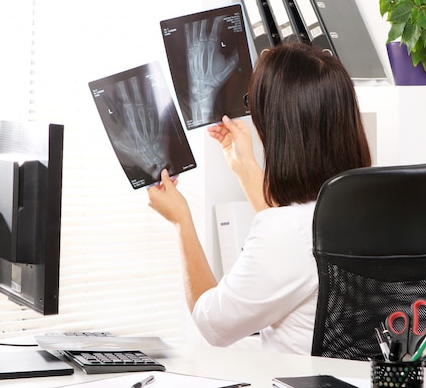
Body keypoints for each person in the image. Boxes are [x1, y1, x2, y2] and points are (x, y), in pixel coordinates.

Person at [147, 42, 371, 354]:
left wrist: (181, 220)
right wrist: (243, 167)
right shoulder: (372, 206)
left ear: (280, 133)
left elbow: (213, 323)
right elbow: (292, 232)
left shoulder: (287, 233)